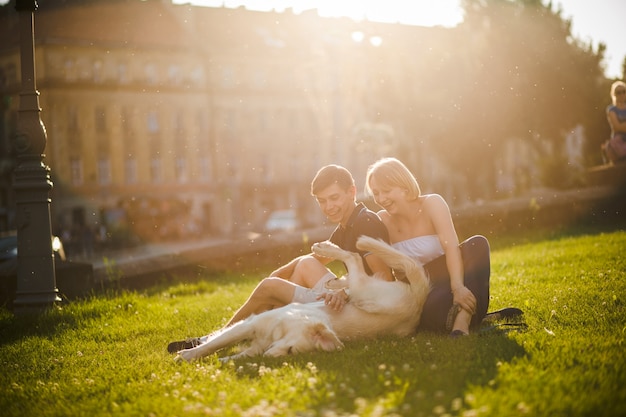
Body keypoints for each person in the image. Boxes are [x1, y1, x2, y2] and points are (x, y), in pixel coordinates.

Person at [167, 164, 392, 353]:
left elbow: (385, 280)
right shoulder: (346, 226)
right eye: (322, 201)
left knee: (270, 287)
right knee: (301, 266)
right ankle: (253, 331)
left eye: (334, 198)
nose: (329, 207)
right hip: (349, 298)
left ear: (352, 192)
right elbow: (314, 258)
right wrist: (277, 277)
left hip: (361, 309)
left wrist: (345, 292)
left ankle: (214, 340)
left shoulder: (365, 223)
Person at [364, 157, 491, 337]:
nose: (381, 198)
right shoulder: (381, 220)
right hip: (417, 292)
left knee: (477, 244)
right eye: (376, 193)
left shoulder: (432, 203)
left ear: (404, 186)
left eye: (386, 191)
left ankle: (463, 318)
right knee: (431, 310)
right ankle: (468, 315)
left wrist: (458, 287)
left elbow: (452, 249)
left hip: (448, 280)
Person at [602, 80, 626, 164]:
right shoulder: (611, 109)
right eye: (618, 92)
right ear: (614, 94)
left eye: (624, 91)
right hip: (619, 140)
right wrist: (621, 126)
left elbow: (620, 126)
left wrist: (622, 125)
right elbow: (617, 127)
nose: (622, 94)